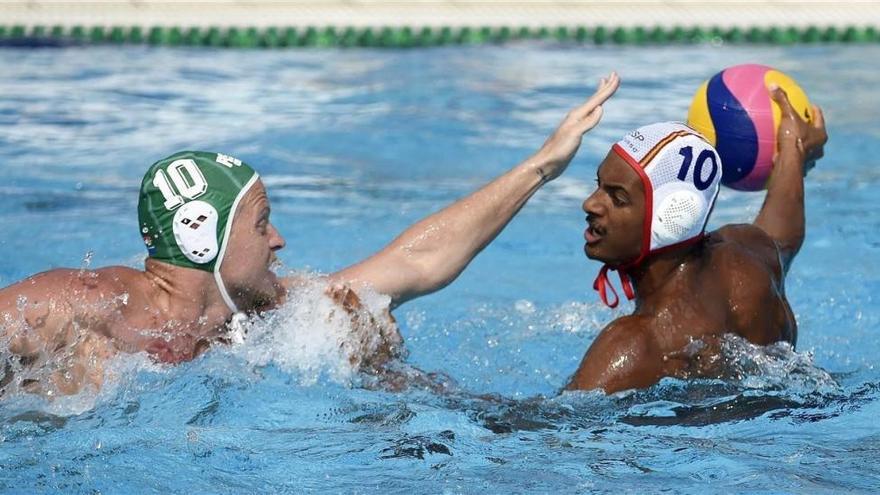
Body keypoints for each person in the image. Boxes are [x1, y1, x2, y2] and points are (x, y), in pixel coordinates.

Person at [0, 74, 621, 397]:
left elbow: (417, 262)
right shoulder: (82, 306)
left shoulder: (264, 317)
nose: (278, 242)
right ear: (201, 236)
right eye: (262, 221)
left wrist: (540, 166)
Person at [565, 86, 827, 394]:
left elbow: (549, 428)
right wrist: (793, 148)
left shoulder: (634, 345)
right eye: (599, 186)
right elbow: (784, 235)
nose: (591, 204)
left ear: (670, 216)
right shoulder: (750, 256)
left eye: (617, 198)